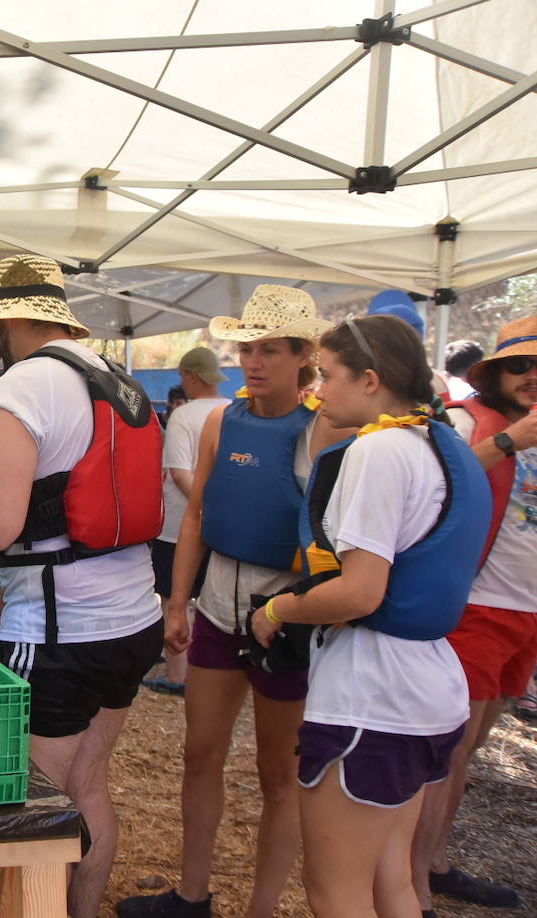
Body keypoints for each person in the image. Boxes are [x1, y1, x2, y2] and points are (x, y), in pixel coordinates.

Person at [0, 254, 165, 918]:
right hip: (134, 621)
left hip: (59, 634)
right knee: (88, 786)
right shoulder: (117, 379)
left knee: (33, 810)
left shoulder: (22, 385)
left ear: (5, 322)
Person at [118, 285, 352, 918]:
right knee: (199, 754)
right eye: (247, 349)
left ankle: (262, 908)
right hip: (219, 607)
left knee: (278, 775)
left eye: (270, 350)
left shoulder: (328, 430)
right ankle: (191, 895)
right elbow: (196, 514)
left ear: (303, 356)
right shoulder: (222, 421)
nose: (254, 362)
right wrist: (177, 603)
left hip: (287, 622)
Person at [249, 315, 489, 918]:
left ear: (371, 380)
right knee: (391, 883)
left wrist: (278, 608)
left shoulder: (379, 450)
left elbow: (359, 593)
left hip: (371, 698)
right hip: (428, 690)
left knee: (336, 892)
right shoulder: (442, 443)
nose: (317, 389)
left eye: (328, 375)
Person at [412, 316, 537, 913]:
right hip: (473, 607)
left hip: (524, 612)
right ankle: (414, 883)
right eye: (520, 365)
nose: (535, 376)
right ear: (495, 373)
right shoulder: (468, 420)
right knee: (448, 752)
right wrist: (509, 441)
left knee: (466, 753)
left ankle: (434, 862)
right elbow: (432, 482)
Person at [145, 347, 230, 697]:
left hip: (181, 524)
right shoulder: (234, 410)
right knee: (211, 599)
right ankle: (209, 669)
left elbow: (180, 473)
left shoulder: (183, 416)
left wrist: (205, 508)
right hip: (223, 528)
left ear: (191, 376)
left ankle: (178, 674)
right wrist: (224, 512)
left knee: (173, 598)